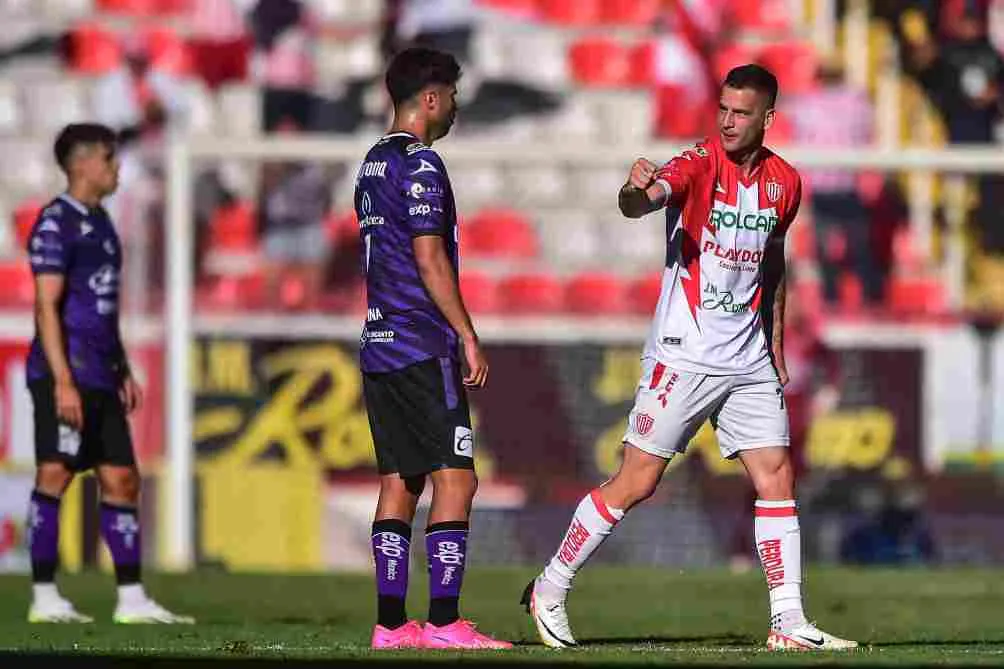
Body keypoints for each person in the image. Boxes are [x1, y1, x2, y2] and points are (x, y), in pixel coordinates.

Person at [521, 65, 857, 652]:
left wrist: (774, 344)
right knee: (637, 481)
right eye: (723, 108)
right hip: (685, 353)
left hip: (749, 356)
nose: (727, 121)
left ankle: (788, 622)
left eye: (741, 112)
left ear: (767, 119)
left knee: (776, 475)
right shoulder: (697, 164)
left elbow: (773, 267)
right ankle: (549, 586)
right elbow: (641, 203)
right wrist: (633, 188)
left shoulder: (787, 183)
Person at [354, 47, 510, 651]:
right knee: (457, 480)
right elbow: (428, 255)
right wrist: (467, 333)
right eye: (452, 95)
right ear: (430, 98)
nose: (455, 107)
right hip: (421, 341)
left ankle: (391, 626)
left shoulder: (371, 163)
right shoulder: (422, 163)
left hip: (377, 341)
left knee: (399, 483)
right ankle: (444, 622)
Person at [24, 123, 193, 625]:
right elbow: (45, 307)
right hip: (65, 373)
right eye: (108, 159)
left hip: (100, 373)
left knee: (122, 479)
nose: (116, 168)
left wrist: (120, 367)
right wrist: (61, 381)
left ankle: (132, 599)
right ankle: (43, 595)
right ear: (81, 165)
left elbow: (103, 308)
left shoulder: (102, 224)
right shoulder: (56, 224)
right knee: (55, 472)